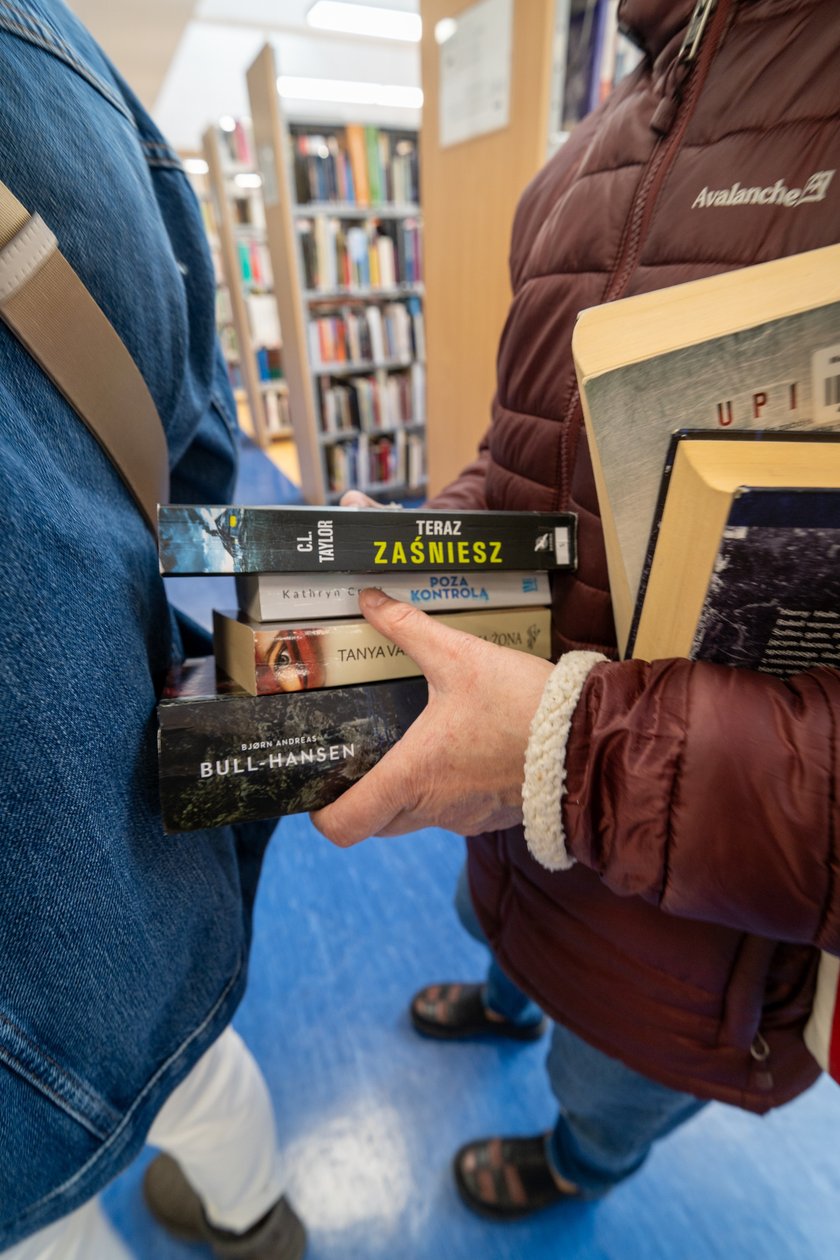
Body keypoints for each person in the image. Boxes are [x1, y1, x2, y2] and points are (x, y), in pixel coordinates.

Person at [312, 0, 840, 1218]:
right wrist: (426, 548)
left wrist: (572, 751)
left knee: (604, 1089)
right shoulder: (582, 156)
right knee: (499, 932)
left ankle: (573, 1167)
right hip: (512, 832)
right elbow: (518, 453)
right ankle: (505, 1001)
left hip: (690, 920)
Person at [0, 3, 304, 1256]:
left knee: (49, 1228)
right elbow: (200, 487)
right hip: (140, 850)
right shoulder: (57, 61)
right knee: (198, 1072)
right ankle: (258, 1221)